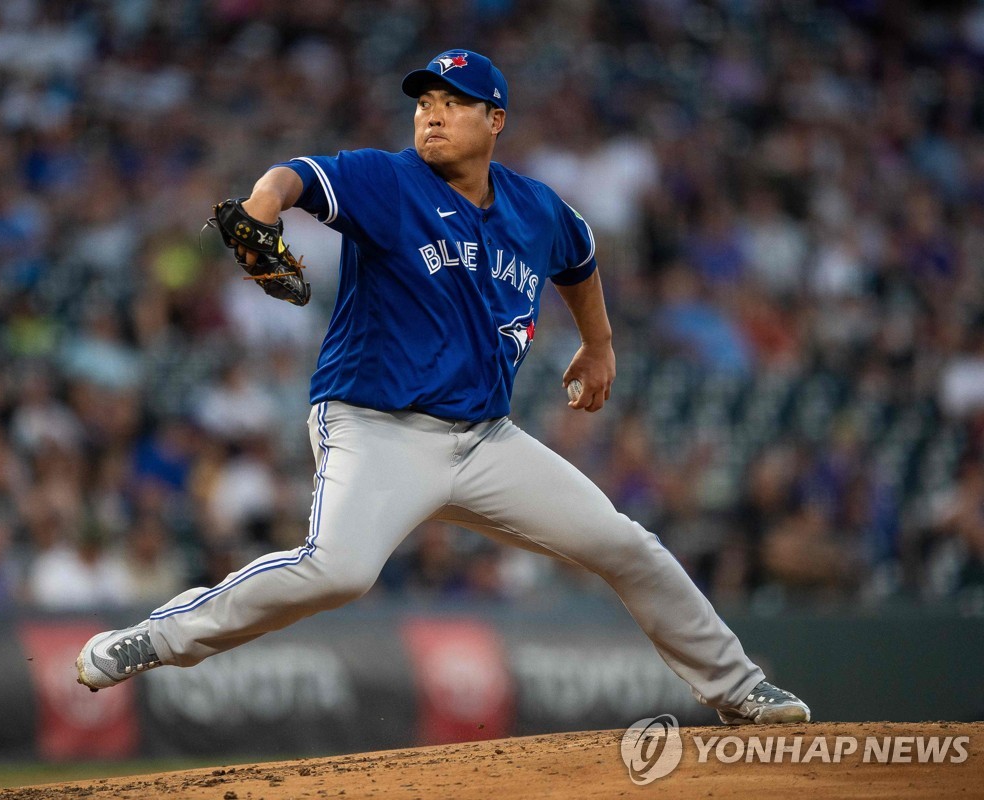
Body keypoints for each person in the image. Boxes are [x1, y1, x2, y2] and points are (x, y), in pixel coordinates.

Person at [76, 49, 810, 725]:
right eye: (424, 99)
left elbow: (578, 258)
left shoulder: (537, 209)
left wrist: (599, 343)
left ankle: (737, 687)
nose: (432, 111)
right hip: (375, 426)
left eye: (454, 101)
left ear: (495, 120)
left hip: (486, 441)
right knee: (338, 570)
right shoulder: (388, 180)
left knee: (626, 544)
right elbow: (293, 174)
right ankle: (158, 635)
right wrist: (263, 209)